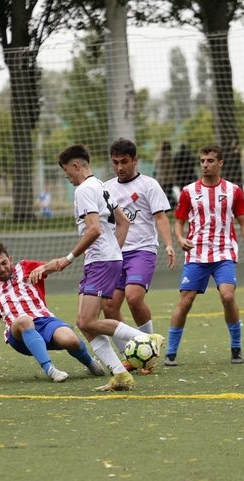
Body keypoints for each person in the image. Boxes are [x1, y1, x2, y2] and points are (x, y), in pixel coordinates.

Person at [29, 144, 162, 392]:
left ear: (76, 166)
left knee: (87, 320)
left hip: (101, 261)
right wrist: (115, 251)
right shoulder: (102, 186)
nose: (66, 176)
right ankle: (120, 374)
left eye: (66, 171)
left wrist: (67, 258)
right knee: (84, 322)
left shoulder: (85, 190)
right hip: (103, 259)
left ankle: (143, 339)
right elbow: (123, 222)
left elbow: (94, 229)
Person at [165, 144, 244, 366]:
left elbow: (243, 220)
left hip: (224, 251)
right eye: (202, 161)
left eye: (210, 161)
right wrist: (179, 238)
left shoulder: (233, 191)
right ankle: (170, 352)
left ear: (220, 163)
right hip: (196, 253)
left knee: (227, 296)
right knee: (186, 301)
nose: (205, 165)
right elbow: (179, 222)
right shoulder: (189, 191)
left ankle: (236, 348)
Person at [0, 242, 105, 382]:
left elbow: (55, 265)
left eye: (4, 263)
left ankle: (90, 363)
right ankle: (50, 369)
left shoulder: (25, 267)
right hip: (19, 333)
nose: (2, 268)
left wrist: (44, 268)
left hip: (44, 321)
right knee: (24, 320)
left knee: (72, 341)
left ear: (10, 259)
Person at [102, 138, 175, 371]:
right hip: (116, 253)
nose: (120, 167)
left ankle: (149, 351)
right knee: (109, 305)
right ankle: (133, 355)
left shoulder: (149, 185)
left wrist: (169, 244)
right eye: (115, 162)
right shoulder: (106, 188)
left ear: (135, 160)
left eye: (124, 162)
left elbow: (160, 217)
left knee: (134, 298)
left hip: (142, 250)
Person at [153, 140, 176, 208]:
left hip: (160, 178)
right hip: (169, 179)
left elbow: (156, 165)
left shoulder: (158, 155)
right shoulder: (171, 155)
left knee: (162, 194)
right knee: (168, 194)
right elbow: (172, 167)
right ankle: (168, 207)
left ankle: (163, 208)